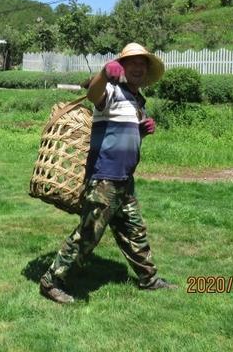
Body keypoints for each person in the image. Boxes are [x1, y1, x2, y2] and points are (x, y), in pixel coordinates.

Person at [40, 42, 177, 304]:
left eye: (142, 64)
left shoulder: (137, 100)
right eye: (132, 63)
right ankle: (51, 281)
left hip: (124, 180)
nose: (137, 67)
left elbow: (122, 138)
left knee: (134, 231)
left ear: (146, 71)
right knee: (88, 234)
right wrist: (104, 73)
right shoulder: (111, 91)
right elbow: (93, 94)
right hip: (105, 178)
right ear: (122, 67)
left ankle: (149, 279)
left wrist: (141, 132)